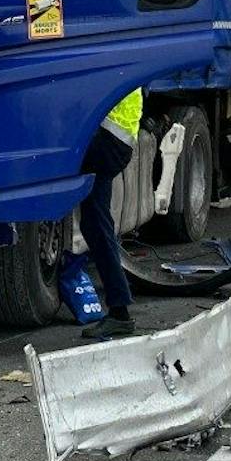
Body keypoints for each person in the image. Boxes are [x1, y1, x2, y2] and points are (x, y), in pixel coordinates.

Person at [78, 88, 143, 341]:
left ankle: (120, 312)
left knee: (96, 223)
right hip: (113, 137)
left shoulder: (112, 51)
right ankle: (119, 309)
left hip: (107, 136)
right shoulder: (126, 51)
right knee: (95, 223)